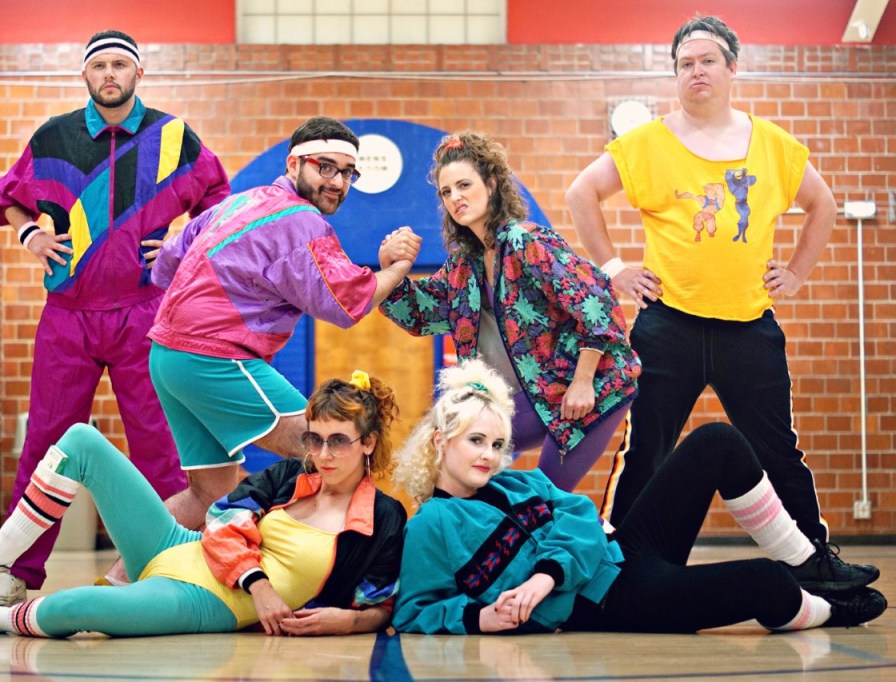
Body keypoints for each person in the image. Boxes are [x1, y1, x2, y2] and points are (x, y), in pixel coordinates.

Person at [564, 15, 878, 586]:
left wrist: (797, 273)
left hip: (749, 328)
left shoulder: (773, 144)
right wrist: (614, 269)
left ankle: (816, 562)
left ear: (732, 68)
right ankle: (620, 569)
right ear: (676, 75)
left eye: (707, 60)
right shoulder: (646, 143)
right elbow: (581, 192)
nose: (696, 71)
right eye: (685, 63)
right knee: (646, 449)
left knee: (778, 450)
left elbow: (824, 204)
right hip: (669, 325)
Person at [0, 29, 231, 599]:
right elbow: (9, 197)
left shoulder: (174, 137)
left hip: (146, 314)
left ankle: (173, 567)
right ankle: (15, 572)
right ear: (85, 75)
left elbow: (219, 202)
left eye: (121, 64)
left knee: (159, 446)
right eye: (100, 66)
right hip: (67, 315)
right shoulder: (53, 137)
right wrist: (29, 234)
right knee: (45, 445)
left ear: (139, 73)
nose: (110, 75)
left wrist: (184, 244)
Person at [390, 360, 886, 636]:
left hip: (625, 551)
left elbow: (580, 514)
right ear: (440, 442)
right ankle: (825, 607)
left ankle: (806, 563)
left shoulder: (516, 484)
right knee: (765, 582)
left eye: (497, 444)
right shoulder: (430, 524)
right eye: (475, 441)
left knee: (717, 441)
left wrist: (545, 576)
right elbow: (414, 610)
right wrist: (480, 618)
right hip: (610, 602)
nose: (488, 455)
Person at [0, 371, 406, 638]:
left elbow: (382, 602)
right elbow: (221, 520)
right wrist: (261, 585)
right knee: (81, 440)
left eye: (338, 441)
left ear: (367, 443)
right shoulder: (291, 475)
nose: (322, 454)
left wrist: (350, 621)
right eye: (314, 439)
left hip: (208, 601)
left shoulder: (384, 516)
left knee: (73, 608)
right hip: (179, 547)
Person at [146, 116, 421, 538]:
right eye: (325, 167)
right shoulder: (302, 220)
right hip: (214, 357)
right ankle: (348, 568)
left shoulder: (236, 203)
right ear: (293, 164)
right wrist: (397, 268)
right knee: (334, 448)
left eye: (348, 173)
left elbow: (166, 262)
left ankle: (119, 575)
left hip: (166, 359)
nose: (337, 182)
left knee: (207, 494)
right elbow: (347, 302)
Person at [378, 131, 639, 491]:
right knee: (458, 450)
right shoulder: (464, 265)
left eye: (464, 185)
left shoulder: (525, 241)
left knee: (549, 498)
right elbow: (420, 314)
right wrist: (390, 269)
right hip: (538, 396)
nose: (455, 198)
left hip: (592, 387)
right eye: (446, 192)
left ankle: (589, 534)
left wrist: (583, 382)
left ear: (491, 183)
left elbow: (598, 301)